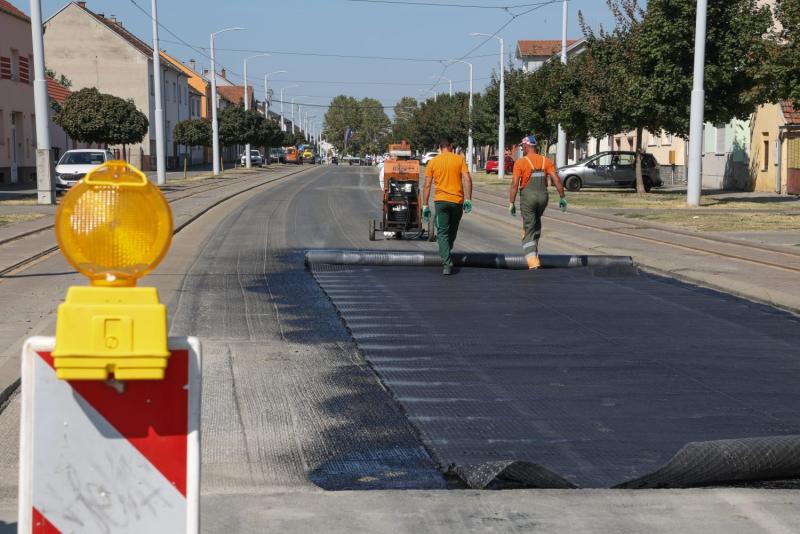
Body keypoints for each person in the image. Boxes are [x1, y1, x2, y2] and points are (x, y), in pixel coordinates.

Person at [508, 135, 567, 270]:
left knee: (528, 227)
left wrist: (511, 202)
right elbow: (556, 180)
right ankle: (535, 251)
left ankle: (533, 261)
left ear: (527, 147)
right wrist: (562, 197)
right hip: (543, 198)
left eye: (523, 147)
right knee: (536, 224)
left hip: (529, 198)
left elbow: (515, 184)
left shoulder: (520, 163)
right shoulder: (545, 161)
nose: (522, 149)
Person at [422, 138, 473, 276]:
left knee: (442, 232)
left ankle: (447, 264)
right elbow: (467, 179)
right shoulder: (459, 160)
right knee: (453, 229)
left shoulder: (433, 162)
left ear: (440, 148)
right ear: (451, 146)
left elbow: (427, 185)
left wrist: (425, 205)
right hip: (457, 201)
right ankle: (447, 252)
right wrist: (468, 199)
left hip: (441, 202)